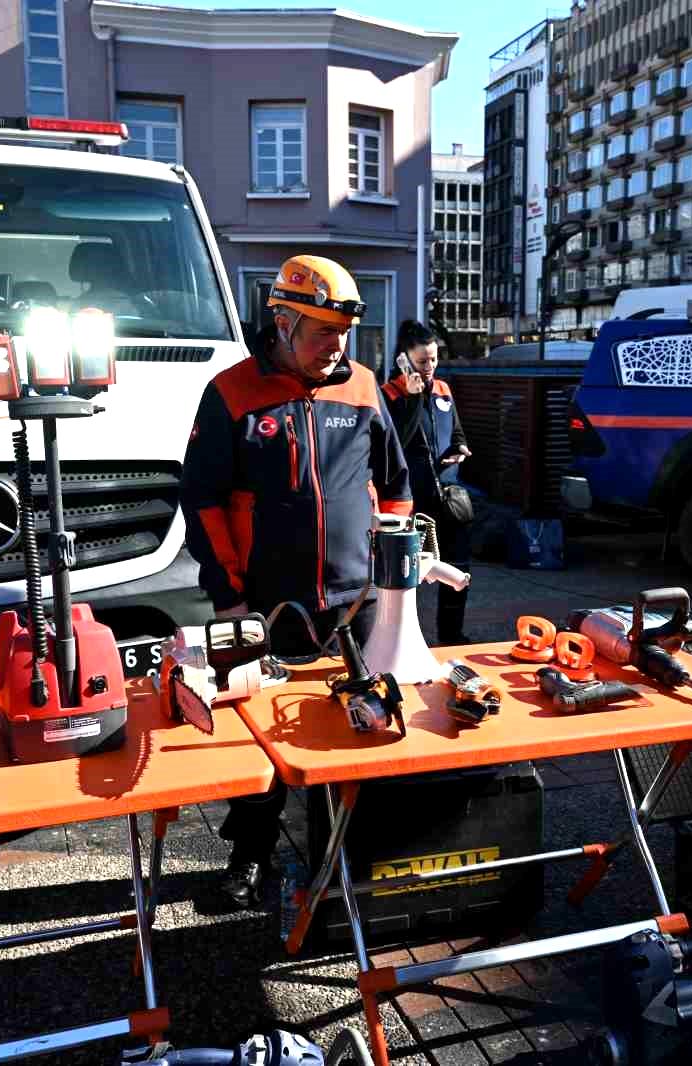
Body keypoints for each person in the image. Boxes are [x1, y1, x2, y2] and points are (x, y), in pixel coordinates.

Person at [180, 254, 412, 908]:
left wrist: (392, 574)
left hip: (356, 602)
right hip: (256, 599)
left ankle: (351, 856)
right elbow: (200, 500)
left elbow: (395, 486)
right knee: (253, 735)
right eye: (320, 333)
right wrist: (227, 596)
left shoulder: (363, 387)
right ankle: (249, 856)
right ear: (281, 323)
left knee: (362, 728)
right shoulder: (231, 392)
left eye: (343, 334)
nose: (334, 348)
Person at [381, 321, 474, 643]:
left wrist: (459, 449)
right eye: (422, 361)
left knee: (456, 570)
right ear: (404, 359)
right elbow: (397, 442)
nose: (430, 367)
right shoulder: (390, 395)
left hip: (447, 494)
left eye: (434, 359)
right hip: (412, 499)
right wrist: (413, 397)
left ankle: (452, 634)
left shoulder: (444, 390)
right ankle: (406, 639)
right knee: (409, 575)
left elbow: (456, 432)